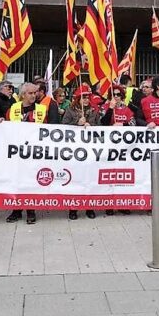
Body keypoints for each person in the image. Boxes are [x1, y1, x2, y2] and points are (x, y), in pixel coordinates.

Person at [6, 82, 48, 224]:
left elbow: (49, 129)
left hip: (34, 152)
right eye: (30, 93)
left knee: (30, 182)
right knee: (17, 181)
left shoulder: (42, 109)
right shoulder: (13, 108)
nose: (34, 95)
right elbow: (6, 126)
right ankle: (16, 210)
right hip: (17, 152)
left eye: (35, 92)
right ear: (23, 94)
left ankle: (31, 211)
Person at [62, 83, 101, 220]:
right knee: (75, 179)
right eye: (83, 97)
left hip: (89, 149)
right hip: (74, 151)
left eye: (87, 97)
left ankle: (89, 207)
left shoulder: (94, 111)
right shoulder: (70, 111)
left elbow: (101, 128)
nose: (86, 100)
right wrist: (77, 124)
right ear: (77, 99)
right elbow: (63, 127)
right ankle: (73, 208)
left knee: (89, 178)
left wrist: (92, 126)